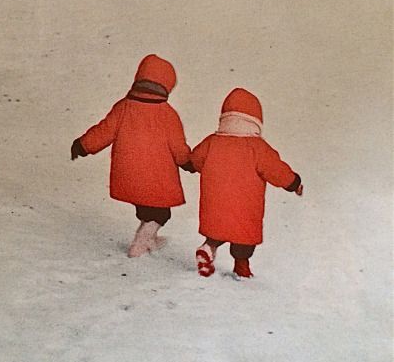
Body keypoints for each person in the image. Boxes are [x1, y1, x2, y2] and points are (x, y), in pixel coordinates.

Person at [71, 54, 192, 257]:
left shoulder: (123, 107)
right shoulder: (168, 114)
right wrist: (187, 161)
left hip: (128, 175)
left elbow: (103, 131)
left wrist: (83, 145)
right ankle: (141, 243)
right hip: (156, 178)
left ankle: (149, 239)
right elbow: (178, 147)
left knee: (145, 209)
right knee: (161, 213)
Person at [191, 88, 303, 279]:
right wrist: (294, 183)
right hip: (245, 206)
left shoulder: (212, 141)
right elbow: (276, 170)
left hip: (215, 203)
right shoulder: (257, 147)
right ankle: (241, 268)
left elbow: (195, 160)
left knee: (216, 232)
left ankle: (208, 248)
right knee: (243, 239)